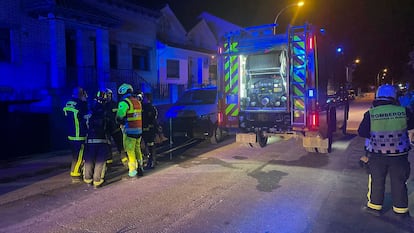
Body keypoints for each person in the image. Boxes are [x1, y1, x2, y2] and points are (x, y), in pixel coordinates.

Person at [358, 84, 414, 218]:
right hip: (400, 155)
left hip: (377, 155)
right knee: (399, 181)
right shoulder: (404, 112)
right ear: (394, 96)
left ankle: (374, 207)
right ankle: (400, 210)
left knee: (377, 180)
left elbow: (362, 132)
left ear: (377, 96)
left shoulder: (371, 114)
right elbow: (412, 130)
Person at [116, 83, 144, 178]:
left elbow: (120, 117)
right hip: (139, 130)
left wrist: (119, 121)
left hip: (130, 130)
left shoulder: (124, 103)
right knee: (137, 149)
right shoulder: (137, 101)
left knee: (130, 151)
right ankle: (141, 166)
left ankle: (133, 171)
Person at [83, 90, 111, 189]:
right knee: (100, 161)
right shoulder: (106, 111)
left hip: (89, 140)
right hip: (102, 140)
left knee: (89, 160)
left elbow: (84, 124)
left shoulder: (89, 110)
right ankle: (97, 181)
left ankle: (87, 180)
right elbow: (109, 126)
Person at [63, 87, 89, 183]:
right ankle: (75, 174)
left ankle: (76, 171)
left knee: (75, 155)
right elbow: (86, 118)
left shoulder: (68, 103)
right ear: (81, 94)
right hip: (79, 134)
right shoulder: (81, 104)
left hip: (71, 134)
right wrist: (85, 102)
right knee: (79, 156)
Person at [105, 88, 128, 168]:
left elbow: (120, 115)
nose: (107, 96)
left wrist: (121, 123)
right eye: (106, 95)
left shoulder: (115, 104)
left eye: (109, 95)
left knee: (120, 146)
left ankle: (125, 161)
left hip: (116, 128)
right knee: (107, 147)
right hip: (106, 130)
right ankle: (109, 163)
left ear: (111, 95)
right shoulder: (103, 105)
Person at [142, 92, 158, 169]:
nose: (143, 99)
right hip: (145, 131)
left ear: (147, 99)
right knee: (147, 147)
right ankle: (150, 161)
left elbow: (153, 120)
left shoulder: (150, 108)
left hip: (150, 131)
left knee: (150, 146)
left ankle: (152, 162)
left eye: (144, 98)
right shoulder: (144, 107)